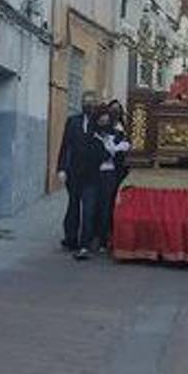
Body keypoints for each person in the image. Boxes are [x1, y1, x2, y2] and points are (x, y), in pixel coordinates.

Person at [74, 105, 131, 260]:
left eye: (107, 121)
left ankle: (102, 242)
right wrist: (112, 151)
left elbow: (123, 154)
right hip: (91, 177)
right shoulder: (90, 137)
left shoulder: (117, 135)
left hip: (109, 177)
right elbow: (94, 156)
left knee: (105, 210)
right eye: (101, 121)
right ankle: (84, 245)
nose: (104, 124)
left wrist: (115, 150)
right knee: (88, 210)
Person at [57, 91, 102, 252]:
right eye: (86, 101)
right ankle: (70, 240)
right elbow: (65, 146)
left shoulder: (100, 123)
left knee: (89, 210)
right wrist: (61, 168)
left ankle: (85, 243)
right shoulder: (72, 121)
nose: (89, 104)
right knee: (73, 208)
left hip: (92, 175)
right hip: (74, 173)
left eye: (92, 102)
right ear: (82, 103)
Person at [103, 99, 131, 249]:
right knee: (106, 203)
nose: (115, 112)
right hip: (106, 171)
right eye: (112, 109)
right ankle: (105, 233)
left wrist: (124, 147)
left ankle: (114, 233)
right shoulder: (105, 128)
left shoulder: (124, 127)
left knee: (116, 203)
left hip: (120, 170)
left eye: (118, 109)